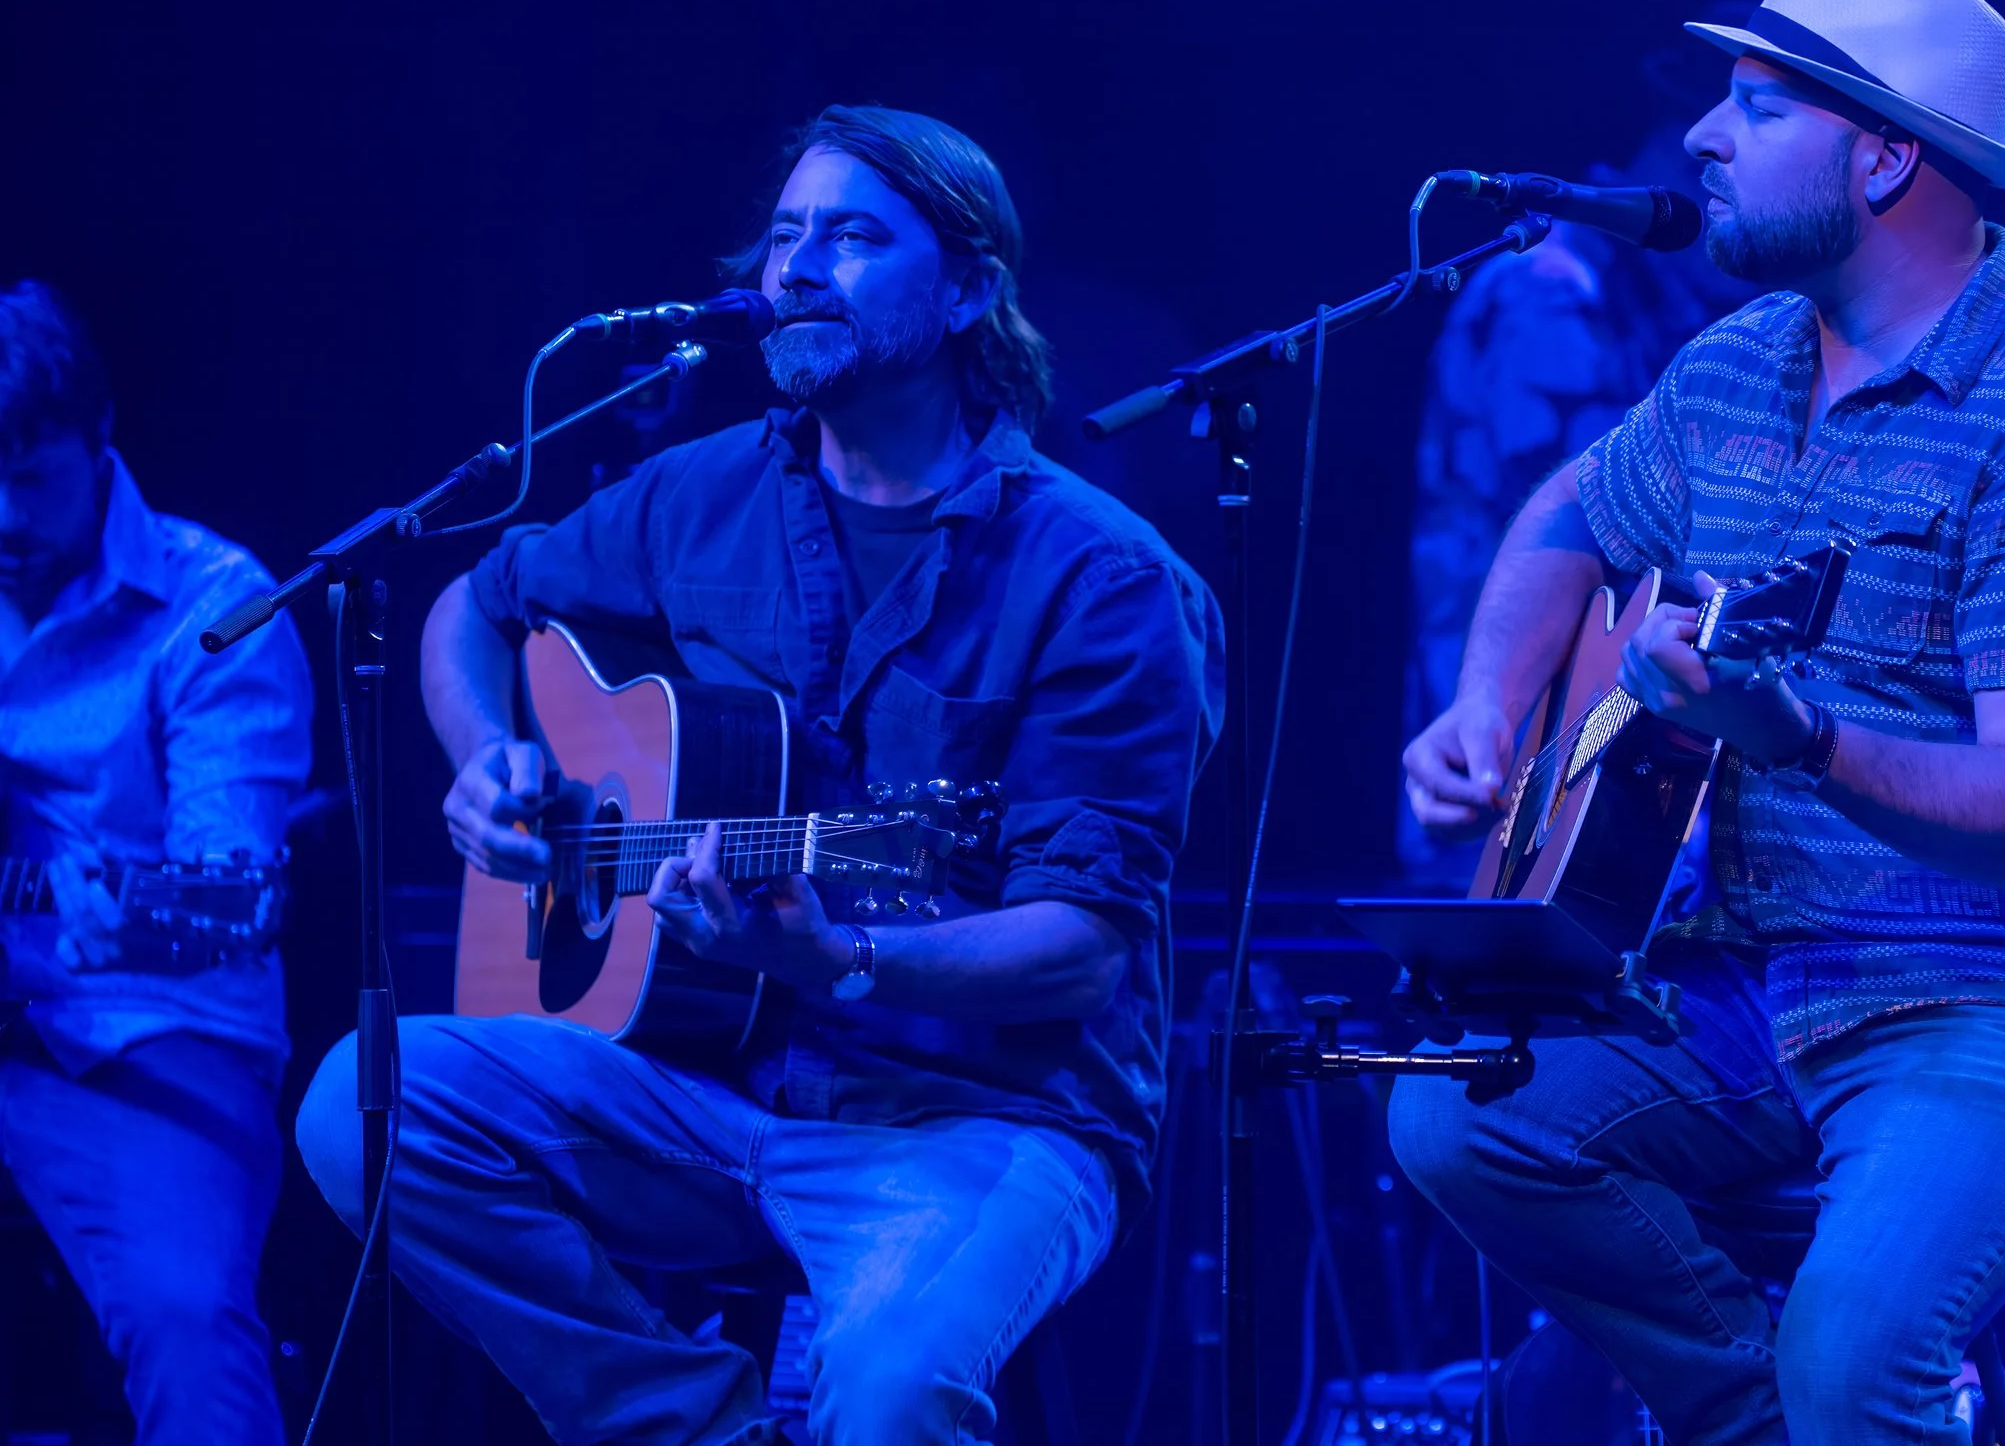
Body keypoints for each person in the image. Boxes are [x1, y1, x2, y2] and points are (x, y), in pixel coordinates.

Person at [1391, 0, 2005, 1443]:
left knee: (1861, 1349)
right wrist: (1484, 704)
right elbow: (1574, 513)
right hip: (1763, 975)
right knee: (1454, 1116)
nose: (1704, 135)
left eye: (1760, 107)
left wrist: (1798, 733)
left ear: (1887, 160)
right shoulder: (1739, 362)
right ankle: (1748, 1419)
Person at [293, 105, 1223, 1446]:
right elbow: (473, 605)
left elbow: (1078, 952)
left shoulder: (1102, 577)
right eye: (786, 235)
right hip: (705, 1083)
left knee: (896, 1393)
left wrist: (842, 958)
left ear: (969, 288)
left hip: (972, 1114)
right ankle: (698, 1425)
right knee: (366, 1104)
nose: (797, 267)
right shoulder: (700, 490)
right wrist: (490, 757)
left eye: (851, 236)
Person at [0, 280, 314, 1444]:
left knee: (187, 1316)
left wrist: (122, 921)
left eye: (30, 479)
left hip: (146, 1029)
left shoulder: (216, 606)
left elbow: (232, 886)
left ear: (101, 436)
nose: (2, 517)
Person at [1402, 48, 1752, 884]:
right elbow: (1615, 538)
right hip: (1517, 733)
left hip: (1582, 728)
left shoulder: (1658, 300)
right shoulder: (1552, 289)